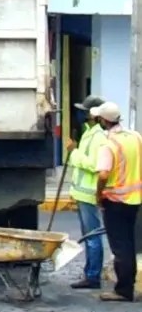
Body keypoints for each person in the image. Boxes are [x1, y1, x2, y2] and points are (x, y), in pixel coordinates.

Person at [93, 102, 141, 302]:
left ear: (104, 121)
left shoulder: (109, 144)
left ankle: (123, 290)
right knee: (129, 243)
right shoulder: (136, 137)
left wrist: (98, 194)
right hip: (136, 199)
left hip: (116, 201)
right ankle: (127, 286)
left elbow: (104, 173)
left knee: (121, 247)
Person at [65, 95, 107, 290]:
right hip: (82, 193)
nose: (81, 113)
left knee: (92, 237)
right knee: (89, 236)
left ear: (94, 114)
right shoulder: (89, 132)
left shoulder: (98, 137)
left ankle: (92, 276)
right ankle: (90, 272)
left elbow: (93, 165)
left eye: (85, 110)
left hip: (89, 194)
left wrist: (73, 151)